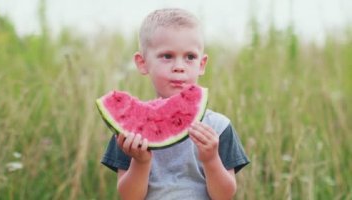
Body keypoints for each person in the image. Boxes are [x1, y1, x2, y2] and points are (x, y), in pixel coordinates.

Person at [101, 8, 249, 200]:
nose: (179, 67)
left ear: (202, 65)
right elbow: (130, 197)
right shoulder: (130, 132)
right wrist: (141, 162)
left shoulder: (219, 128)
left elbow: (224, 195)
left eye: (190, 57)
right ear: (142, 63)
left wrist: (211, 159)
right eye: (167, 56)